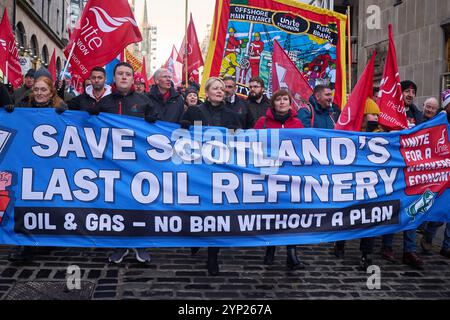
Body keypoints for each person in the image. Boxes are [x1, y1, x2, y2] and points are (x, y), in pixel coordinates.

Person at [181, 77, 242, 276]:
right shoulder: (195, 111)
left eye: (222, 89)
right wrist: (182, 126)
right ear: (206, 93)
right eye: (215, 88)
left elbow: (239, 142)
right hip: (198, 170)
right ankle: (196, 239)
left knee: (216, 214)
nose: (219, 91)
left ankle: (212, 257)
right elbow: (179, 138)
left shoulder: (231, 116)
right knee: (197, 210)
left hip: (221, 172)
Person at [100, 62, 157, 264]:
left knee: (139, 204)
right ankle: (120, 245)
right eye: (120, 74)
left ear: (133, 78)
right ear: (113, 77)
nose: (124, 77)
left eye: (128, 74)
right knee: (117, 205)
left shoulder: (144, 101)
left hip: (138, 165)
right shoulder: (104, 102)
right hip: (112, 164)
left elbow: (159, 129)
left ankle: (141, 244)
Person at [253, 89, 305, 270]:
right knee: (272, 214)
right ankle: (270, 248)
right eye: (279, 99)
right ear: (273, 103)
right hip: (269, 175)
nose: (282, 102)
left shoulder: (297, 123)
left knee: (292, 214)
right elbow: (253, 145)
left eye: (285, 99)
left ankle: (292, 252)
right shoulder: (263, 122)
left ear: (290, 103)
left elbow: (305, 147)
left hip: (291, 176)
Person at [420, 90, 450, 259]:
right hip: (440, 172)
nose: (430, 109)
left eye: (433, 107)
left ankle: (447, 246)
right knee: (440, 210)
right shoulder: (439, 122)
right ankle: (429, 233)